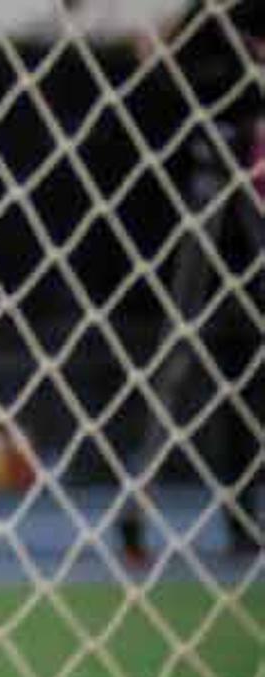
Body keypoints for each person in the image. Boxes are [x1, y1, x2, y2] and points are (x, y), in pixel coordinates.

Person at [118, 0, 265, 563]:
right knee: (179, 360)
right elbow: (156, 72)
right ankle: (136, 513)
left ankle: (236, 515)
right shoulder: (201, 28)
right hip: (211, 195)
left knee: (234, 371)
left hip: (244, 192)